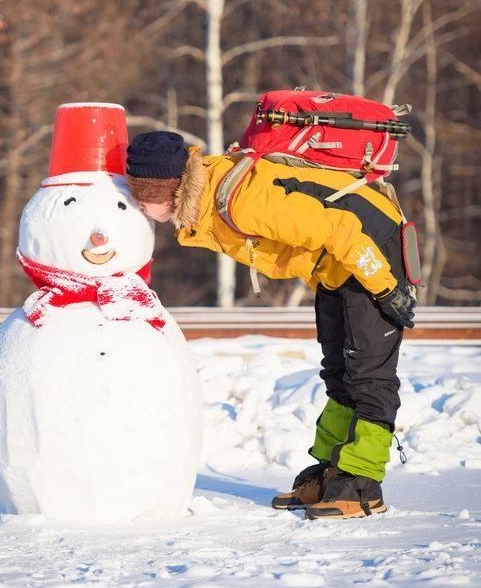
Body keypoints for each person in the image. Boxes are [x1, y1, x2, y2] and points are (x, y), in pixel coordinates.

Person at [125, 130, 416, 520]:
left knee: (369, 376)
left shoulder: (243, 203)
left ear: (170, 191)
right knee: (337, 372)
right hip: (335, 267)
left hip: (371, 252)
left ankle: (362, 484)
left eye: (144, 200)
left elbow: (341, 229)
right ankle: (333, 472)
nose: (141, 210)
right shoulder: (207, 196)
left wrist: (387, 289)